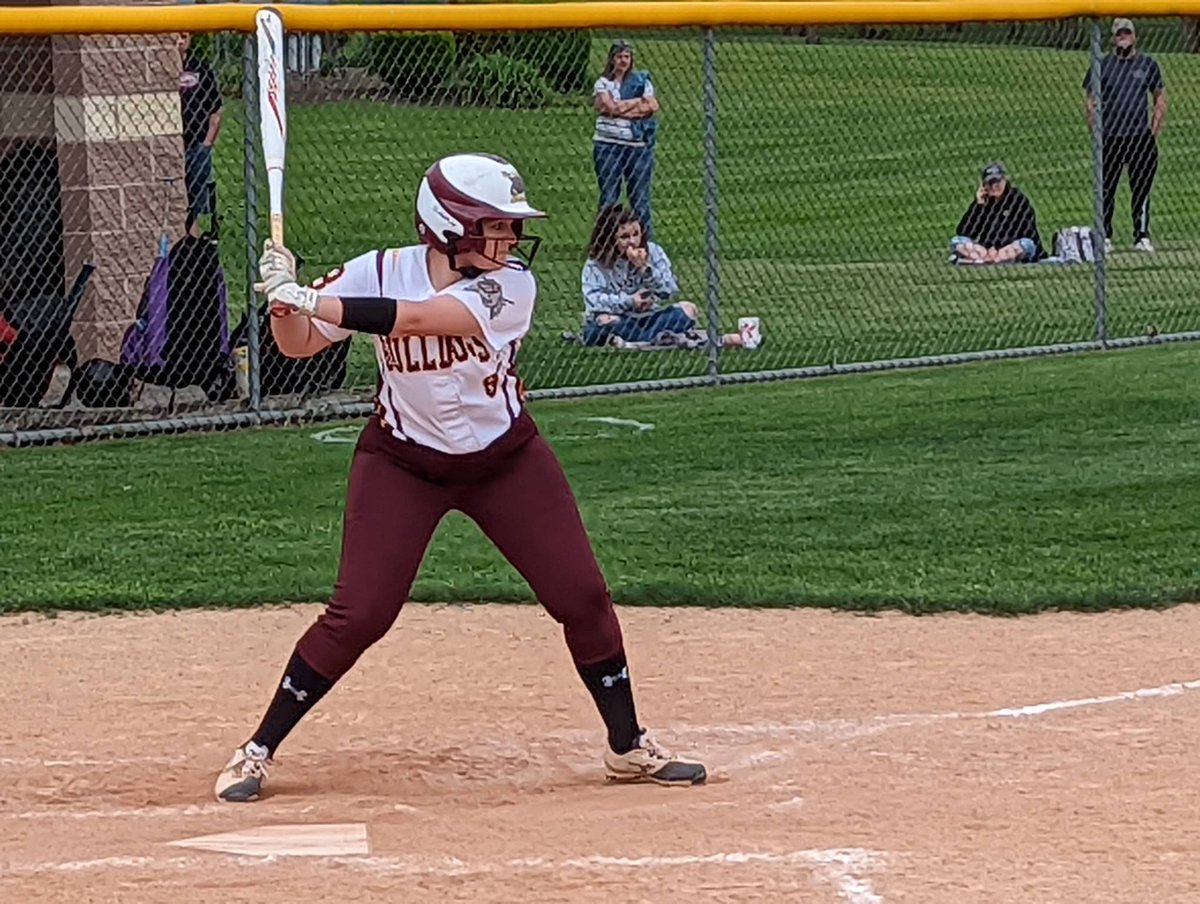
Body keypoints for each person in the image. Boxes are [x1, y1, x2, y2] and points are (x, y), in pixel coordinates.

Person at [213, 152, 708, 802]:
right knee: (360, 614)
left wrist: (313, 297)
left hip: (506, 459)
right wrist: (284, 304)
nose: (510, 238)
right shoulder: (377, 270)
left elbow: (420, 319)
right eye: (494, 225)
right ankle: (257, 749)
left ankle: (627, 746)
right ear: (447, 227)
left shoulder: (512, 286)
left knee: (583, 596)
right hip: (401, 461)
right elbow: (299, 345)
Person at [581, 204, 744, 348]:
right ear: (610, 239)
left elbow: (669, 290)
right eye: (624, 237)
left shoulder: (653, 251)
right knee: (599, 325)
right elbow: (594, 301)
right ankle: (658, 339)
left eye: (636, 234)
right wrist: (630, 301)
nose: (633, 241)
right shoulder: (596, 264)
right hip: (619, 319)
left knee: (688, 310)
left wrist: (645, 268)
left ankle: (636, 343)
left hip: (650, 318)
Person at [1083, 18, 1166, 254]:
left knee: (1141, 188)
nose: (1123, 37)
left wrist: (1153, 131)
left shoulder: (1147, 64)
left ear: (1135, 36)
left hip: (1140, 137)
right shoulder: (1103, 65)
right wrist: (1095, 131)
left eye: (1127, 33)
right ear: (1112, 38)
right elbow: (1091, 101)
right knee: (1107, 188)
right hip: (1111, 137)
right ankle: (1106, 235)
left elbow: (1159, 97)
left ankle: (1142, 235)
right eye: (1119, 33)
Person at [592, 40, 659, 241]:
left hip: (637, 147)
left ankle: (645, 242)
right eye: (619, 56)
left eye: (627, 57)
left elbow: (651, 107)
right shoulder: (603, 82)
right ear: (612, 59)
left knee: (640, 198)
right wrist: (637, 103)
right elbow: (609, 107)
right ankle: (605, 241)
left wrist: (619, 108)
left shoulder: (641, 81)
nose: (623, 60)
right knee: (610, 196)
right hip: (608, 146)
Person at [950, 162, 1045, 265]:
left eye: (998, 182)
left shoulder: (1017, 199)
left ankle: (982, 260)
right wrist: (978, 205)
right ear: (984, 185)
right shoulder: (983, 202)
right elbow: (964, 232)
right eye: (990, 183)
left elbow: (1027, 232)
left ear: (1004, 181)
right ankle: (989, 259)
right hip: (986, 250)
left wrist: (997, 248)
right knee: (957, 241)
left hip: (1012, 247)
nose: (994, 186)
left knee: (1026, 244)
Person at [179, 32, 222, 234]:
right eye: (177, 36)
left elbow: (216, 111)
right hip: (175, 145)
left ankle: (193, 241)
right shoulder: (163, 69)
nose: (180, 41)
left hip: (196, 145)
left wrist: (206, 144)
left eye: (184, 36)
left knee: (194, 203)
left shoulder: (200, 69)